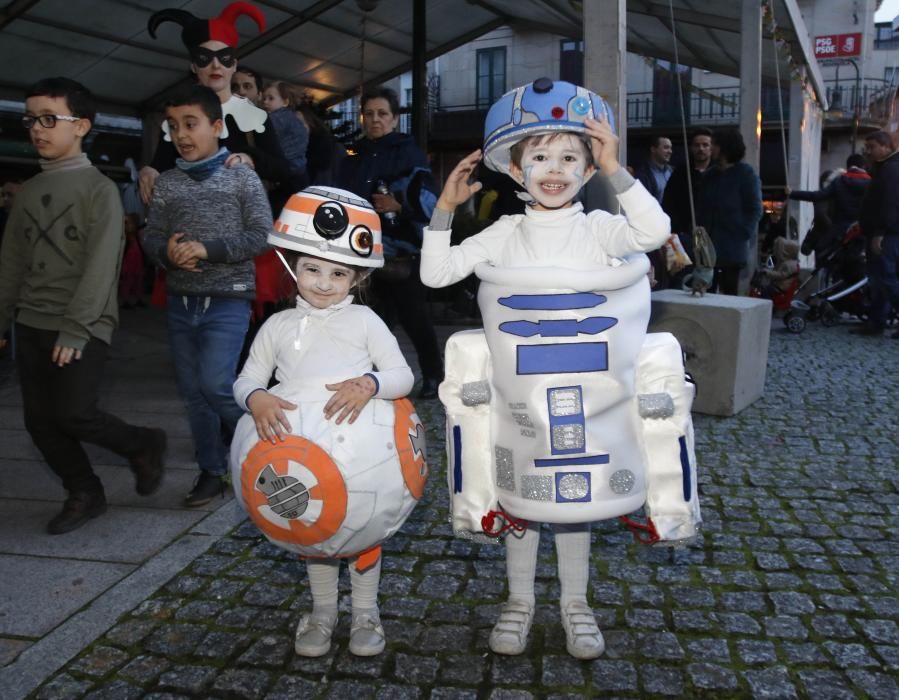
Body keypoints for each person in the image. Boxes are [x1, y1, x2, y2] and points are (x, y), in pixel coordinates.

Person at [421, 78, 670, 660]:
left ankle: (576, 603)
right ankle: (519, 601)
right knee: (521, 498)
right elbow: (436, 275)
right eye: (538, 157)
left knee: (577, 503)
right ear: (515, 168)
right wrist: (444, 209)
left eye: (570, 157)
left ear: (588, 170)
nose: (553, 169)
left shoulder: (602, 230)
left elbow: (653, 233)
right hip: (521, 403)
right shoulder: (503, 235)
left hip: (591, 401)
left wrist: (618, 170)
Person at [233, 187, 414, 657]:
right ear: (293, 266)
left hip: (366, 456)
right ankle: (323, 610)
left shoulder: (367, 322)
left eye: (338, 273)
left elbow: (402, 375)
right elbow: (247, 378)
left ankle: (366, 611)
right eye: (312, 268)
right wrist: (256, 399)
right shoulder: (276, 327)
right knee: (311, 528)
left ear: (356, 277)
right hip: (297, 454)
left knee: (364, 526)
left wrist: (370, 385)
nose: (323, 282)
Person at [0, 77, 166, 534]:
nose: (37, 128)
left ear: (82, 126)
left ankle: (142, 444)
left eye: (50, 119)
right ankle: (84, 491)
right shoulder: (29, 191)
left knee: (75, 412)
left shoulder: (100, 191)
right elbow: (12, 263)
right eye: (31, 118)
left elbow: (100, 267)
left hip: (82, 322)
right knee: (38, 422)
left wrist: (77, 328)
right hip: (31, 322)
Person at [142, 85, 272, 505]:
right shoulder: (168, 184)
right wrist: (167, 254)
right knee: (193, 393)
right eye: (174, 126)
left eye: (191, 124)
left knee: (216, 384)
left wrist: (207, 251)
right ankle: (212, 471)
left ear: (217, 127)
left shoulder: (240, 176)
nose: (181, 134)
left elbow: (261, 235)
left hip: (228, 299)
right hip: (182, 301)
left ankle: (269, 443)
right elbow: (151, 235)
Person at [338, 86, 443, 398]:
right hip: (362, 248)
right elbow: (339, 173)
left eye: (382, 114)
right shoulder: (355, 151)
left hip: (400, 249)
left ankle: (434, 375)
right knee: (369, 320)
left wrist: (398, 204)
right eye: (369, 114)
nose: (375, 119)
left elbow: (428, 198)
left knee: (414, 318)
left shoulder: (406, 148)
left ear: (395, 118)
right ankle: (372, 380)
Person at [140, 2, 294, 207]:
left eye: (224, 57)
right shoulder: (176, 116)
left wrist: (250, 159)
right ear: (194, 66)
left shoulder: (253, 116)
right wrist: (149, 171)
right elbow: (162, 165)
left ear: (234, 65)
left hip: (242, 223)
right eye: (205, 58)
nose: (216, 65)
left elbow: (282, 170)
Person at [697, 128, 763, 295]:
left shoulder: (745, 174)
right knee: (707, 291)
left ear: (724, 148)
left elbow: (755, 208)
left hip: (733, 246)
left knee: (730, 293)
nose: (711, 149)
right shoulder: (710, 175)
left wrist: (743, 231)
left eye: (714, 145)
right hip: (709, 247)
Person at [855, 130, 899, 337]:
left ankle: (877, 321)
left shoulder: (891, 169)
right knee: (879, 279)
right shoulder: (884, 168)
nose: (868, 152)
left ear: (885, 146)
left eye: (872, 147)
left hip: (885, 234)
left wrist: (880, 232)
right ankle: (876, 322)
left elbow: (890, 204)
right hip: (879, 231)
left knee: (886, 279)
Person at [788, 153, 871, 258]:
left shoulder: (839, 182)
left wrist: (792, 193)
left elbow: (817, 196)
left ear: (848, 166)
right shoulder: (872, 184)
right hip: (862, 232)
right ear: (863, 166)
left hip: (839, 231)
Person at [662, 127, 712, 273]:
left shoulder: (717, 174)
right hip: (684, 237)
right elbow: (669, 204)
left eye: (705, 145)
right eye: (697, 145)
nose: (701, 149)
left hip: (710, 240)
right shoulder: (680, 173)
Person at [262, 81, 309, 190]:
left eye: (270, 98)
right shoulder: (294, 118)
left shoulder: (278, 118)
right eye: (264, 98)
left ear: (285, 101)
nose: (265, 102)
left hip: (287, 173)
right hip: (299, 171)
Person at [297, 102, 345, 187]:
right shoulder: (292, 152)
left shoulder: (330, 149)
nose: (295, 128)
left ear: (310, 123)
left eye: (300, 123)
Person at [635, 135, 673, 202]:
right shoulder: (643, 174)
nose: (670, 151)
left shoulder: (672, 171)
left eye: (670, 148)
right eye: (666, 147)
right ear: (653, 149)